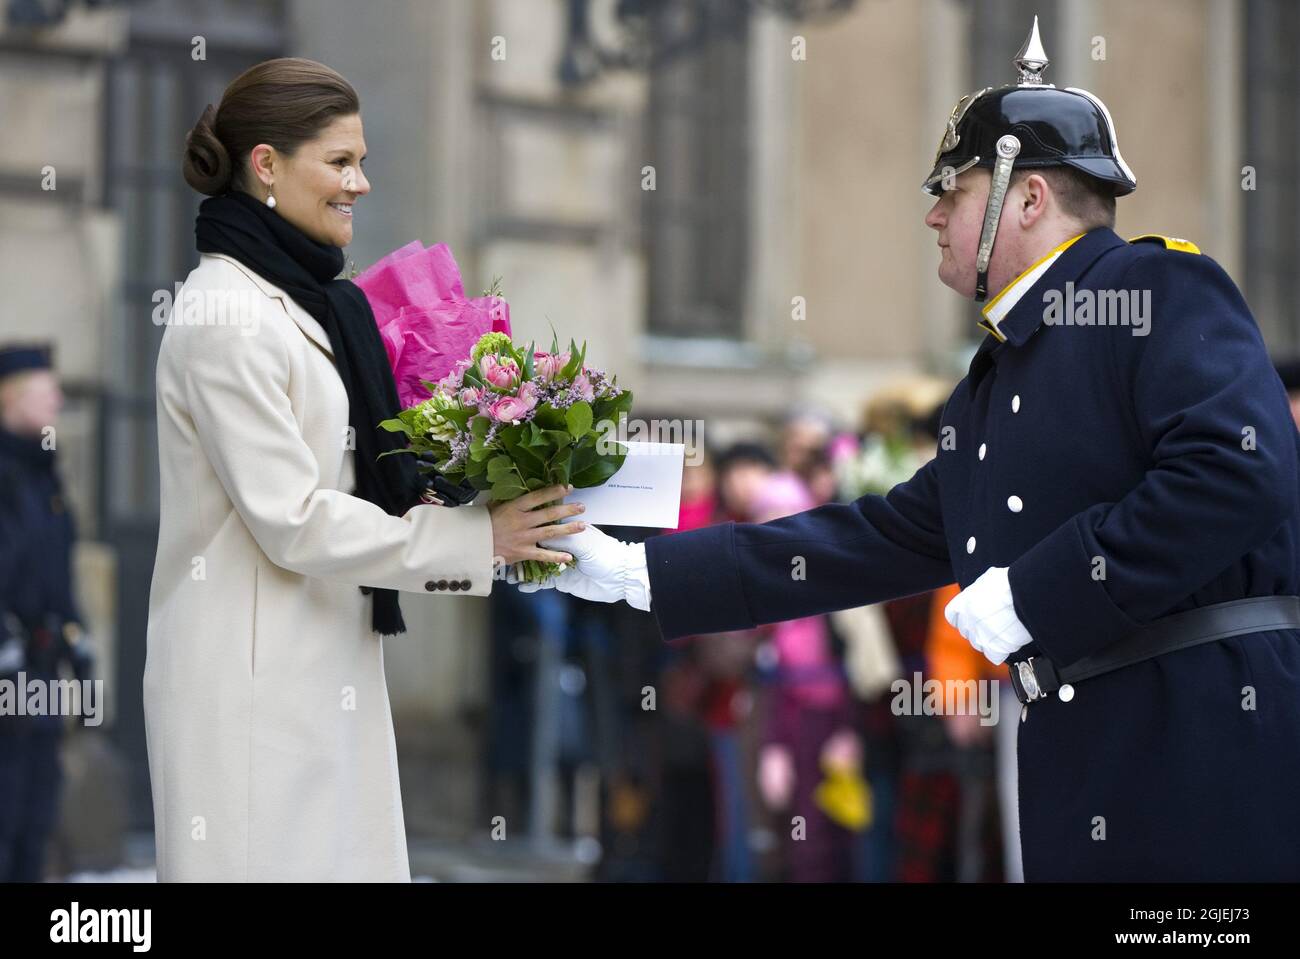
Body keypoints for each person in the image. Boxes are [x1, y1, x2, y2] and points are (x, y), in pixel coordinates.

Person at [517, 21, 1300, 881]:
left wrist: (1047, 588)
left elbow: (1238, 470)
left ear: (1027, 199)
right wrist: (646, 574)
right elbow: (883, 537)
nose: (932, 214)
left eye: (951, 192)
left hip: (1199, 741)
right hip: (1087, 754)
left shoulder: (1158, 286)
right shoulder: (997, 373)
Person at [149, 58, 585, 881]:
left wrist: (469, 465)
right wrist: (475, 538)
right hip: (253, 693)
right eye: (341, 161)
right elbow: (294, 517)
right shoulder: (227, 314)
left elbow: (350, 483)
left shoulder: (310, 300)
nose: (363, 183)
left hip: (316, 669)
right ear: (267, 164)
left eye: (364, 160)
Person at [0, 345, 95, 882]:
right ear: (10, 394)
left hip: (40, 667)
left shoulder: (44, 472)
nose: (58, 398)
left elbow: (56, 569)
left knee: (37, 810)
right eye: (45, 387)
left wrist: (77, 641)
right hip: (6, 668)